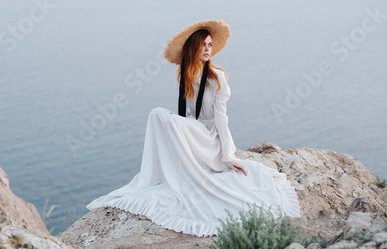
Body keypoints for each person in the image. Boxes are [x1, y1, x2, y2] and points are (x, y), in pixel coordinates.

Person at [86, 19, 301, 237]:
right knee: (158, 116)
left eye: (210, 44)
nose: (208, 49)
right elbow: (187, 115)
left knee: (161, 116)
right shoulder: (184, 75)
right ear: (193, 48)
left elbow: (221, 118)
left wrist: (228, 155)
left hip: (208, 137)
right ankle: (156, 174)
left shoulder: (217, 78)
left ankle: (184, 167)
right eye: (203, 44)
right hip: (194, 131)